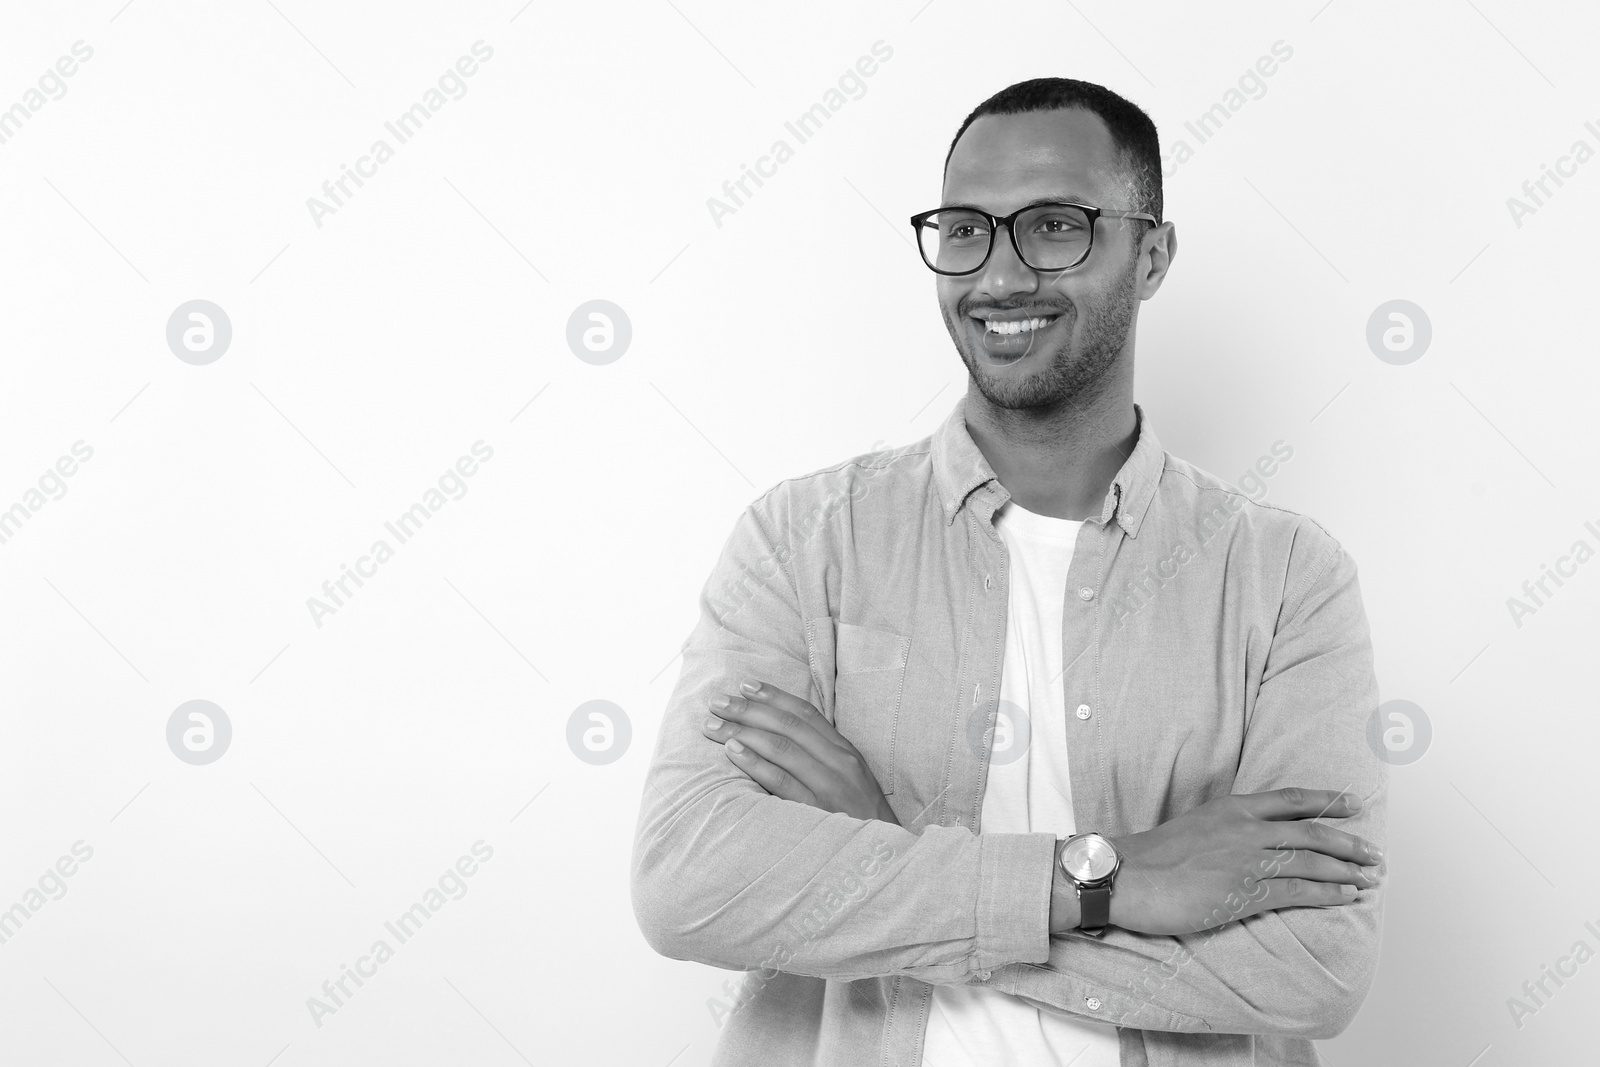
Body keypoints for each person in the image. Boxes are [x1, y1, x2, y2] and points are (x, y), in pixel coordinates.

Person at [631, 77, 1386, 1067]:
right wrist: (1105, 881)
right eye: (965, 230)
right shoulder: (804, 539)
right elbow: (690, 882)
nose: (997, 275)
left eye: (1053, 226)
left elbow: (1312, 967)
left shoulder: (1287, 577)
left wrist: (887, 851)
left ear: (1149, 254)